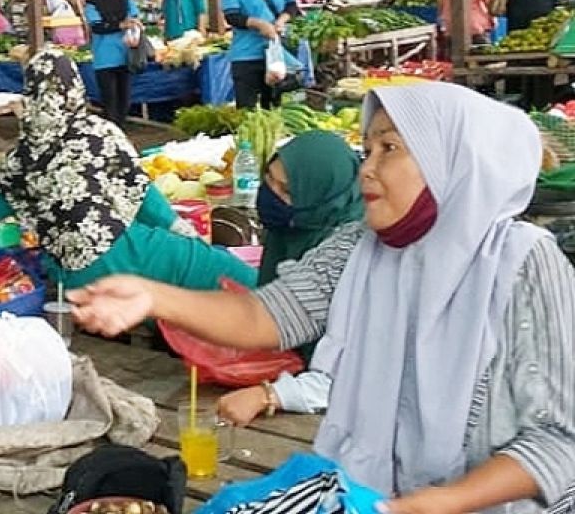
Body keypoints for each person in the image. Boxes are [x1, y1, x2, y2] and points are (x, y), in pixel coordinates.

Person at [70, 83, 575, 513]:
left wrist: (442, 502)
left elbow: (560, 441)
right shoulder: (361, 246)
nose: (366, 169)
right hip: (379, 497)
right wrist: (152, 297)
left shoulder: (521, 263)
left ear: (449, 163)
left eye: (390, 149)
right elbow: (265, 314)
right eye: (368, 150)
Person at [0, 50, 256, 292]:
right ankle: (283, 307)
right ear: (75, 90)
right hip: (124, 251)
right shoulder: (101, 132)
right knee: (216, 268)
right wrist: (183, 231)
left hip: (70, 279)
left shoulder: (22, 158)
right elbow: (141, 192)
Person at [216, 131, 366, 427]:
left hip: (337, 409)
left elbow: (360, 377)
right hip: (291, 376)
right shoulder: (292, 227)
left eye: (285, 189)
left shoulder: (355, 251)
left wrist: (270, 395)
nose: (271, 194)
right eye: (268, 179)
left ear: (321, 194)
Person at [85, 0, 140, 127]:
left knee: (124, 102)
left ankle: (121, 138)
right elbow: (97, 26)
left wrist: (135, 30)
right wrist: (120, 25)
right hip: (104, 59)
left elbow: (135, 17)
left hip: (125, 54)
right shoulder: (92, 0)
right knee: (110, 104)